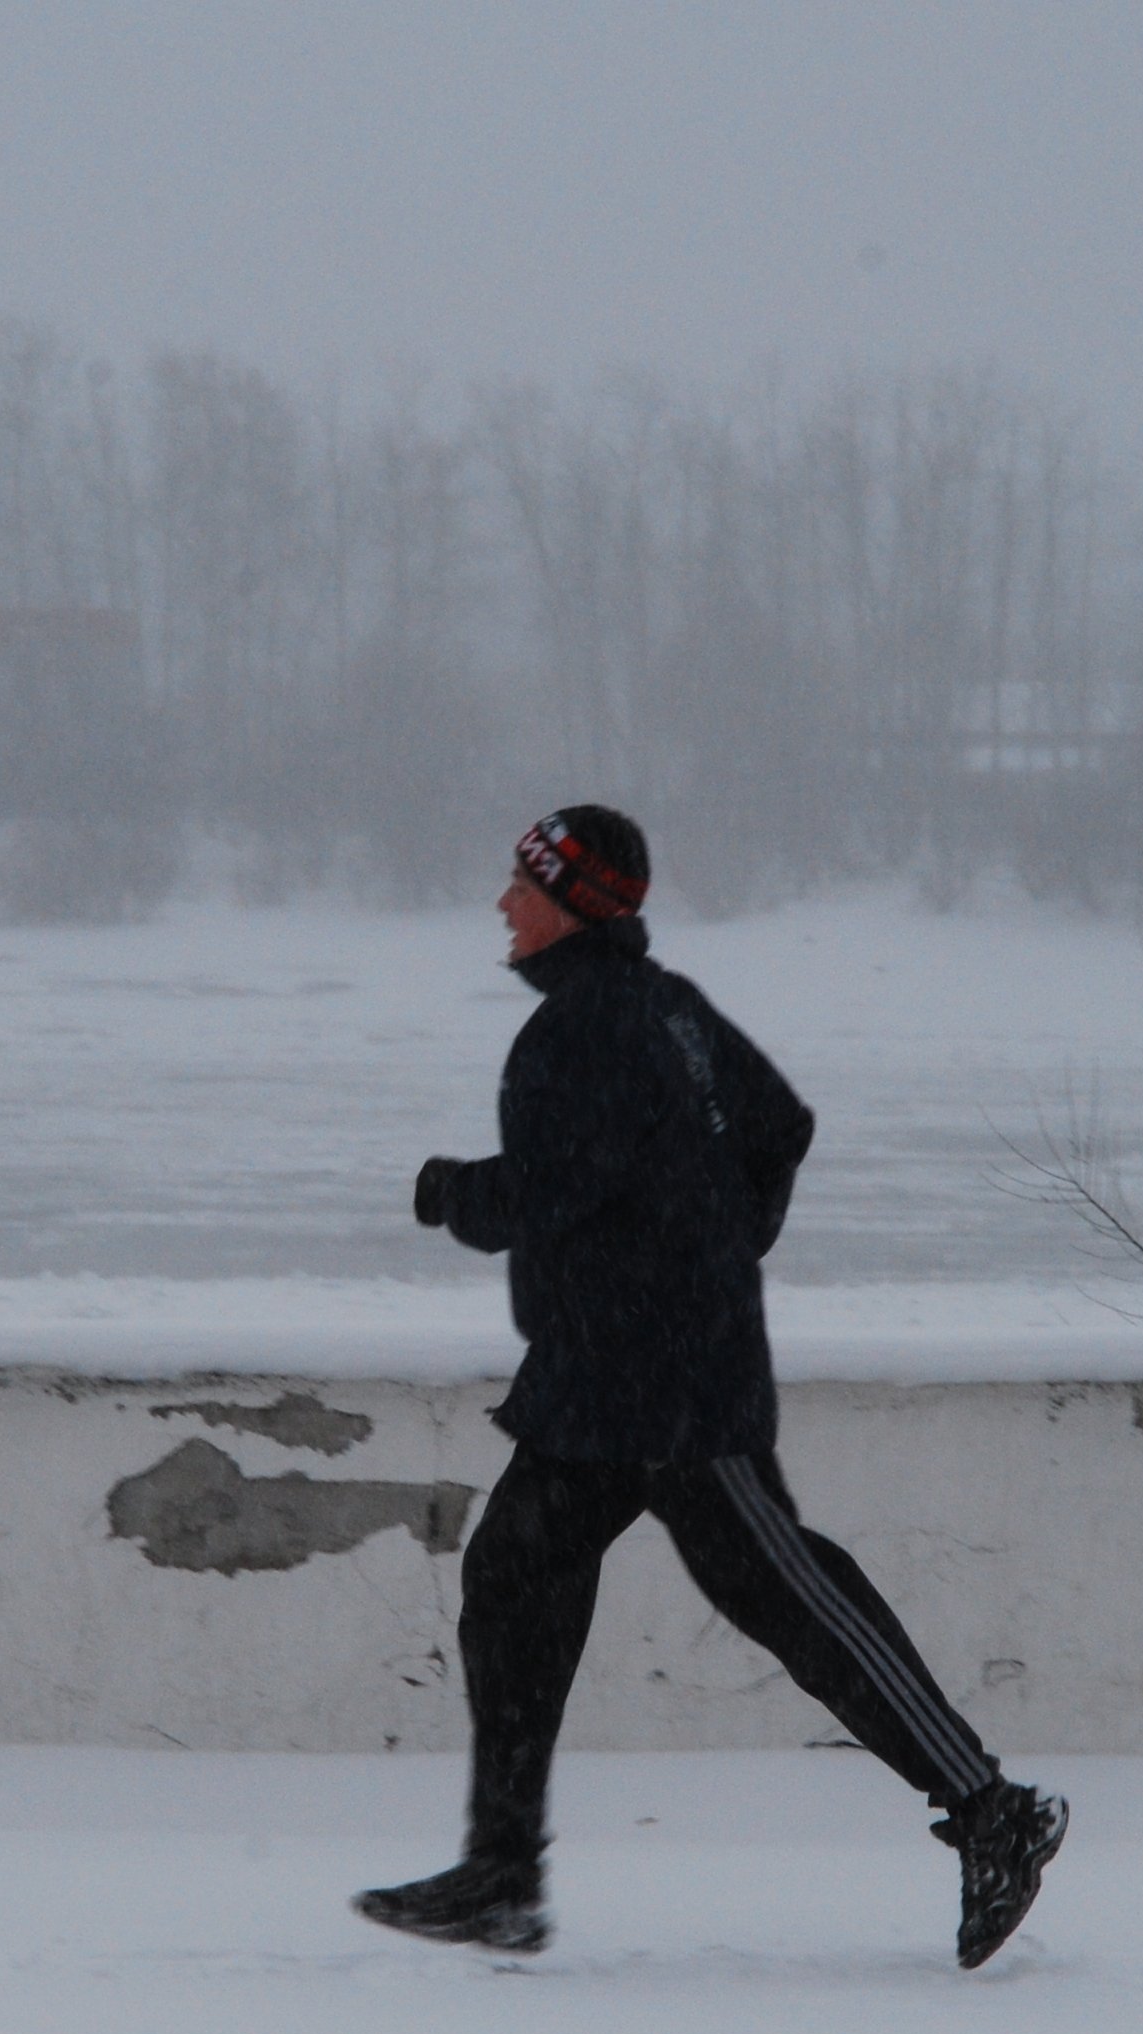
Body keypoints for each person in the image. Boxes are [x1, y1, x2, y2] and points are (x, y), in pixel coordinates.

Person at [356, 804, 1068, 1969]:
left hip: (668, 1374)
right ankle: (500, 1873)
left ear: (570, 904)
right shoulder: (665, 1006)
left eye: (522, 886)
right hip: (601, 1371)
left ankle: (993, 1811)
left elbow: (554, 1187)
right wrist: (720, 1235)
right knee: (514, 1577)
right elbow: (776, 1127)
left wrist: (451, 1194)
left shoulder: (589, 1025)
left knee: (786, 1592)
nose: (502, 904)